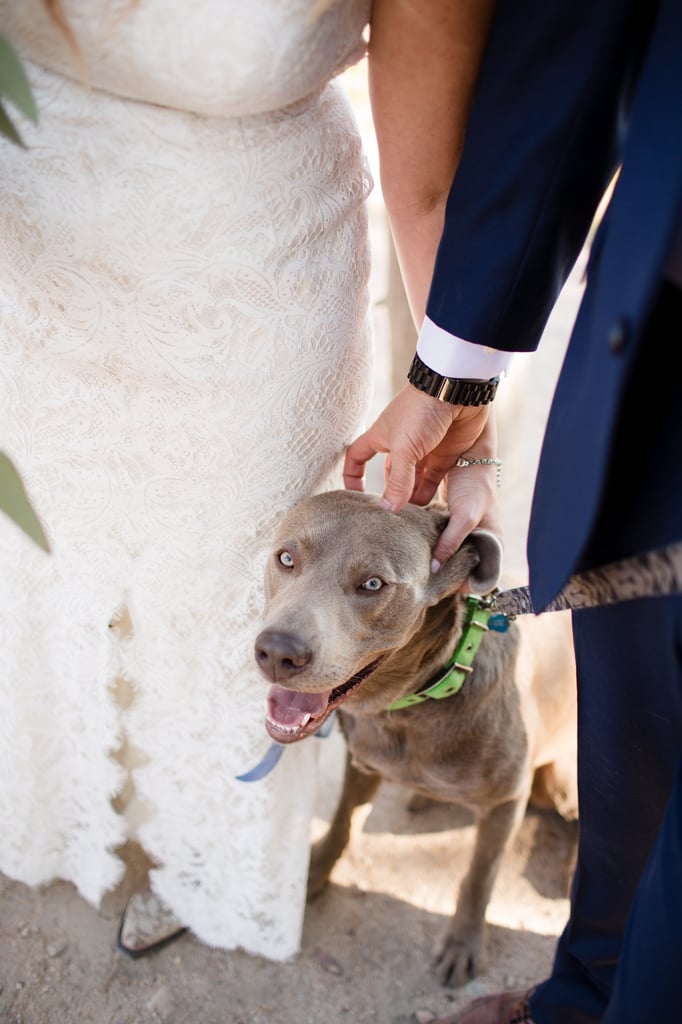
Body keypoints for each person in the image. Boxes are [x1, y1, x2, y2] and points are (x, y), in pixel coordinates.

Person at [0, 0, 376, 959]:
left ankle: (213, 854)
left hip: (254, 287)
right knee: (48, 545)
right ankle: (52, 802)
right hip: (32, 262)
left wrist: (455, 388)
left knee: (236, 577)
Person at [349, 0, 682, 1021]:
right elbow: (570, 36)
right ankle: (584, 995)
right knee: (633, 719)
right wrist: (454, 373)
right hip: (661, 344)